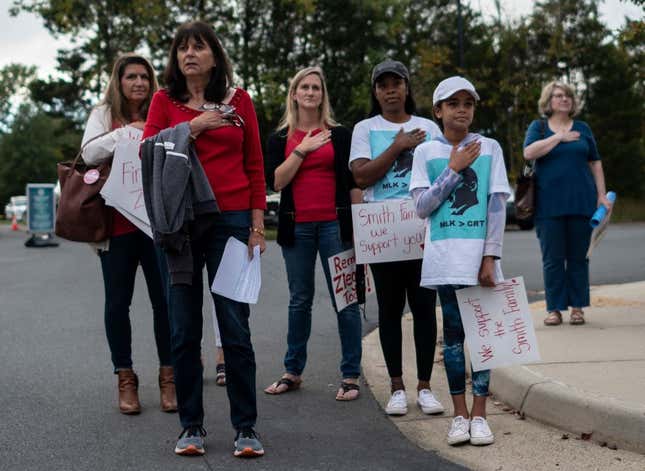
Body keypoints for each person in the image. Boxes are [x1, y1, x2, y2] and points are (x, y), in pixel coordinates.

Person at [142, 21, 265, 457]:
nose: (189, 54)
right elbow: (148, 149)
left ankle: (245, 427)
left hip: (232, 222)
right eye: (181, 49)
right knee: (184, 328)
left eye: (199, 47)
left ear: (215, 56)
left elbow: (254, 166)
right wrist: (195, 127)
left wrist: (255, 227)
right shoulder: (164, 101)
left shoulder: (240, 102)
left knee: (234, 327)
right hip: (181, 224)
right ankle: (190, 426)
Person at [410, 76, 510, 446]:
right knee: (452, 338)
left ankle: (481, 415)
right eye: (453, 104)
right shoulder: (425, 153)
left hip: (479, 260)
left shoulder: (490, 148)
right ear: (438, 111)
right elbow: (422, 207)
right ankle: (459, 416)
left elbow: (497, 205)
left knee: (483, 339)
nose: (462, 110)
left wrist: (490, 256)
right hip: (445, 260)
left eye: (468, 103)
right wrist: (453, 170)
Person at [81, 53, 176, 416]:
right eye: (130, 77)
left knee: (165, 302)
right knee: (117, 304)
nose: (138, 82)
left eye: (144, 76)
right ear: (118, 82)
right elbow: (88, 153)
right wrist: (125, 132)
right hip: (116, 228)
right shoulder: (103, 114)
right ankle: (125, 377)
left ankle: (169, 377)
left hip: (156, 227)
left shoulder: (163, 109)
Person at [349, 59, 444, 416]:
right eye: (383, 84)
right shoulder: (365, 129)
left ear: (407, 87)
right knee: (389, 310)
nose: (390, 89)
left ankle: (424, 386)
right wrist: (397, 145)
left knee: (423, 309)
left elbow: (441, 175)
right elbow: (361, 177)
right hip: (383, 231)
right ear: (375, 92)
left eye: (396, 82)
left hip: (422, 229)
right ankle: (397, 387)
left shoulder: (429, 128)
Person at [264, 66, 362, 401]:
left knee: (345, 301)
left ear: (322, 95)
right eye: (303, 87)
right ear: (294, 94)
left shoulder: (340, 135)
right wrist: (301, 150)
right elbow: (276, 181)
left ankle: (350, 375)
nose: (309, 92)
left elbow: (353, 183)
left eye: (315, 88)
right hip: (298, 227)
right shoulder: (279, 139)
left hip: (335, 226)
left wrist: (360, 228)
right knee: (299, 301)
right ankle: (293, 371)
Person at [523, 81, 611, 326]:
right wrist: (559, 137)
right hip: (547, 206)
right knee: (552, 259)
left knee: (578, 258)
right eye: (558, 95)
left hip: (581, 202)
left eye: (568, 96)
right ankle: (554, 309)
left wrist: (601, 195)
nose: (564, 99)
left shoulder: (583, 128)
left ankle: (577, 307)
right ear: (548, 102)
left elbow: (595, 162)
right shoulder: (539, 127)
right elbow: (529, 153)